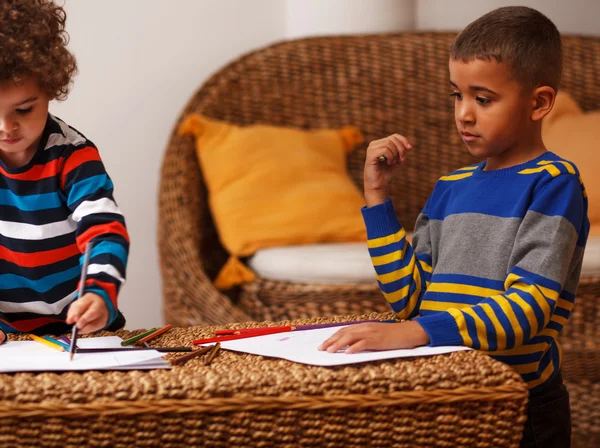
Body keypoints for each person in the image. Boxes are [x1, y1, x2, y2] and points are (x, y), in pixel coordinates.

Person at [319, 6, 588, 447]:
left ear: (539, 102)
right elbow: (410, 301)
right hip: (451, 390)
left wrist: (421, 332)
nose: (464, 113)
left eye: (482, 99)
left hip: (521, 403)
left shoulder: (553, 183)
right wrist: (377, 199)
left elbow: (531, 308)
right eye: (456, 96)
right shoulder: (450, 186)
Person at [0, 0, 129, 345]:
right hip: (6, 335)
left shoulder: (72, 156)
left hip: (79, 329)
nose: (6, 127)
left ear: (50, 88)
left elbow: (104, 232)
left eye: (24, 109)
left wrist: (99, 295)